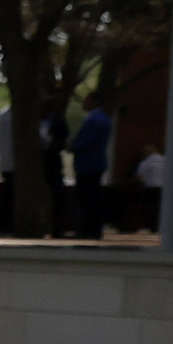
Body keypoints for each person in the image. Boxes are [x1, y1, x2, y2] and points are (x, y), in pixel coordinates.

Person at [71, 94, 116, 240]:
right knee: (92, 197)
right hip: (95, 163)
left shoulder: (95, 120)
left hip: (88, 164)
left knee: (87, 198)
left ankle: (87, 229)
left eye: (87, 100)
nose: (84, 103)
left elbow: (87, 142)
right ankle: (92, 228)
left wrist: (73, 146)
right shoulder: (102, 119)